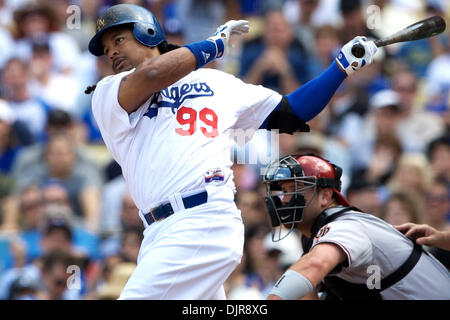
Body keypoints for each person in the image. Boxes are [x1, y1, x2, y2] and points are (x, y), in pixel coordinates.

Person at [86, 3, 377, 299]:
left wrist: (340, 68)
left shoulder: (215, 82)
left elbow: (293, 112)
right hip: (159, 232)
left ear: (147, 33)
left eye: (118, 40)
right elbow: (151, 75)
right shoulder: (107, 92)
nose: (111, 52)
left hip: (202, 219)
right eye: (106, 48)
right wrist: (214, 46)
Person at [263, 154, 450, 300]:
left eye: (296, 190)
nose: (285, 199)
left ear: (326, 196)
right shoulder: (316, 236)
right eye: (284, 191)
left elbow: (315, 264)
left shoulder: (346, 227)